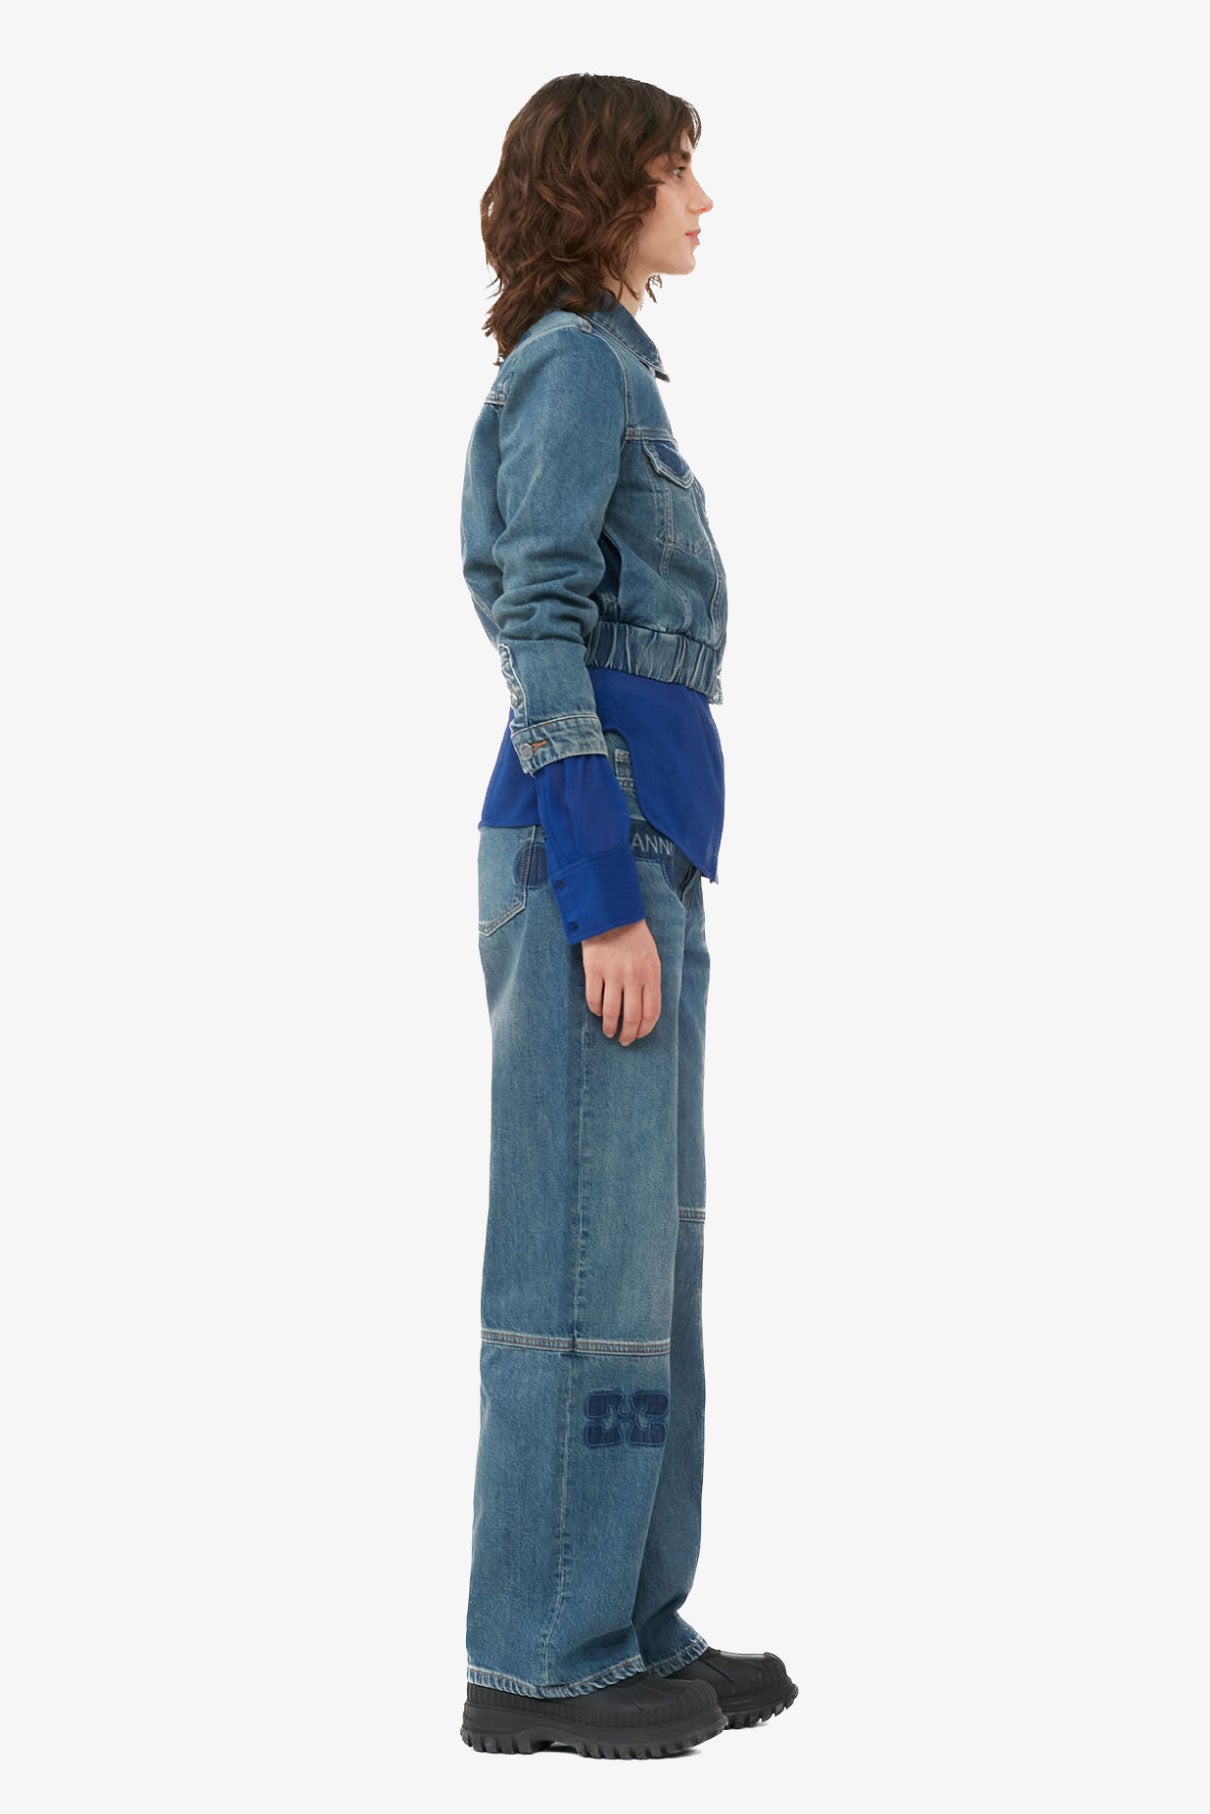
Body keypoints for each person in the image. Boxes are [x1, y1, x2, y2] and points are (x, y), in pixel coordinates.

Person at [458, 73, 798, 1760]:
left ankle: (634, 1617)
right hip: (589, 854)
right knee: (579, 1257)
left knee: (647, 1259)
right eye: (678, 172)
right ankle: (541, 1654)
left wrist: (644, 871)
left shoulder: (614, 366)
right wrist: (600, 888)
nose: (701, 202)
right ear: (609, 187)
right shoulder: (571, 368)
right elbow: (536, 622)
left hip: (649, 846)